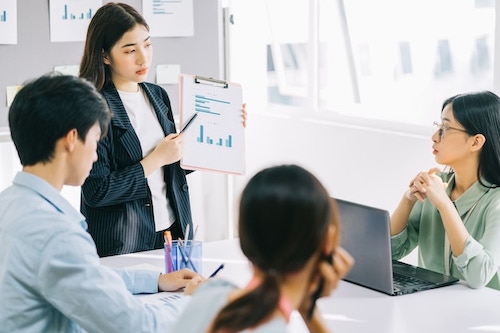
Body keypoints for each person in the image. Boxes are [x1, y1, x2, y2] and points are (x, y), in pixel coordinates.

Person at [0, 74, 202, 332]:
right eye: (95, 139)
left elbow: (85, 276)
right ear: (72, 139)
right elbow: (133, 325)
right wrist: (193, 303)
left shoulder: (9, 204)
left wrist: (156, 280)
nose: (96, 154)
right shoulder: (56, 234)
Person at [79, 2, 246, 257]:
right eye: (130, 50)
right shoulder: (93, 107)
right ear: (105, 55)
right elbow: (97, 191)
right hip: (124, 241)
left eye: (147, 44)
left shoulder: (157, 95)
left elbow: (175, 163)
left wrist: (227, 125)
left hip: (172, 230)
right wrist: (156, 159)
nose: (143, 57)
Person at [173, 164, 354, 332]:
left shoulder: (209, 294)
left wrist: (306, 304)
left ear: (245, 241)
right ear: (327, 242)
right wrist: (310, 311)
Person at [391, 91, 500, 290]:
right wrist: (408, 200)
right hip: (431, 306)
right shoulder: (436, 186)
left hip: (482, 316)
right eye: (438, 127)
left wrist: (444, 204)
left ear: (475, 142)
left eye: (445, 128)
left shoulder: (496, 202)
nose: (434, 137)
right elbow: (388, 253)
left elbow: (479, 275)